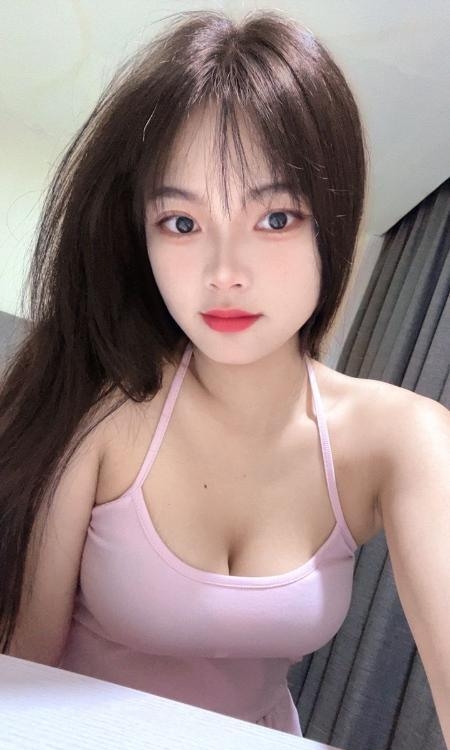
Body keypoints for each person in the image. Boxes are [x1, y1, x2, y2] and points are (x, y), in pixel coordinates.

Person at [1, 8, 449, 744]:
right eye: (181, 223)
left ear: (333, 222)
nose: (225, 273)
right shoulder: (108, 411)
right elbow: (25, 668)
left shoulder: (399, 439)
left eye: (275, 218)